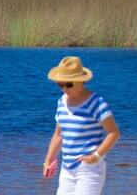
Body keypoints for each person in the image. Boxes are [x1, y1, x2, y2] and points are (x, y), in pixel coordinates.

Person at [43, 56, 120, 195]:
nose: (65, 89)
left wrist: (96, 156)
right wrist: (48, 160)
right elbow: (58, 135)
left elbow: (113, 133)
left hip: (89, 169)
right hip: (67, 168)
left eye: (69, 84)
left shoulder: (96, 103)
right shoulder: (61, 102)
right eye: (61, 84)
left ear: (81, 81)